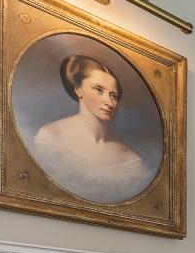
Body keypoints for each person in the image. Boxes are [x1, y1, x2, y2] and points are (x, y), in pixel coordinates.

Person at [30, 54, 155, 203]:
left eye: (113, 95)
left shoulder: (132, 159)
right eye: (98, 89)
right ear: (78, 90)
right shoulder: (49, 136)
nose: (109, 102)